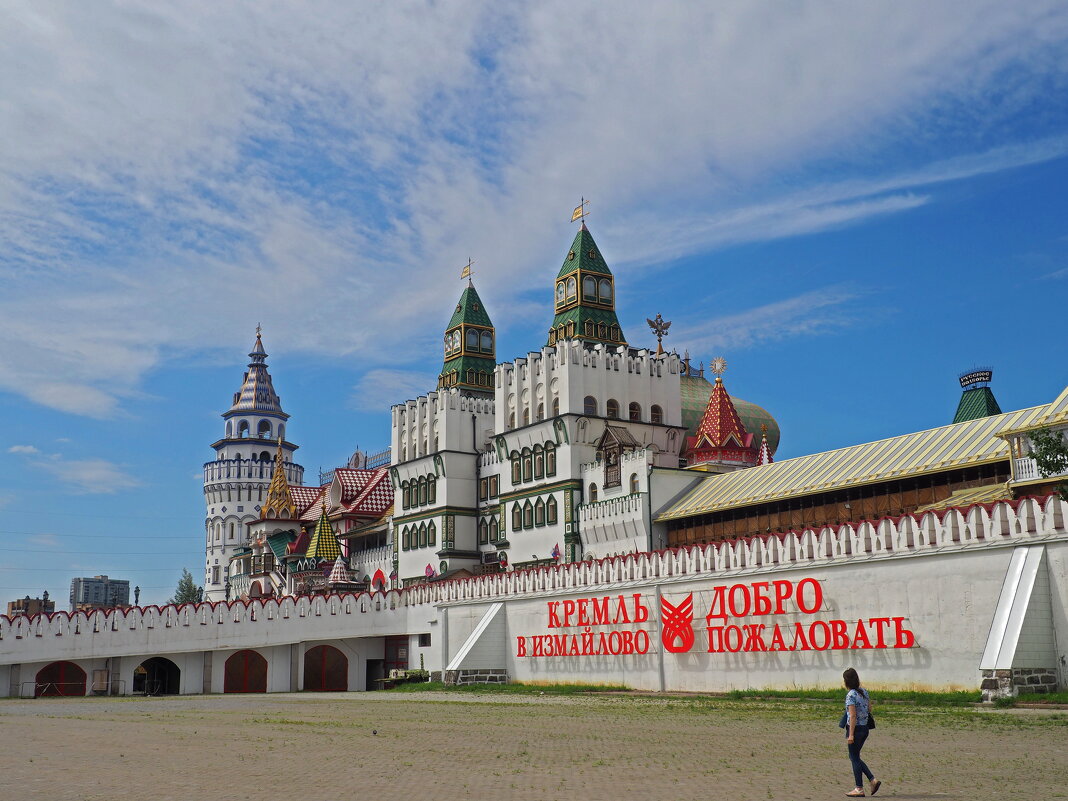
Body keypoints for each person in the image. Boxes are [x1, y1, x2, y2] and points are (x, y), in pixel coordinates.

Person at [842, 667, 881, 797]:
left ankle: (859, 788)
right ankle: (872, 780)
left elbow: (852, 716)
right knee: (855, 757)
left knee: (854, 758)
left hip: (856, 729)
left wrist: (851, 734)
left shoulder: (851, 695)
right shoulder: (864, 692)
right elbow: (869, 708)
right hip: (865, 728)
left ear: (846, 682)